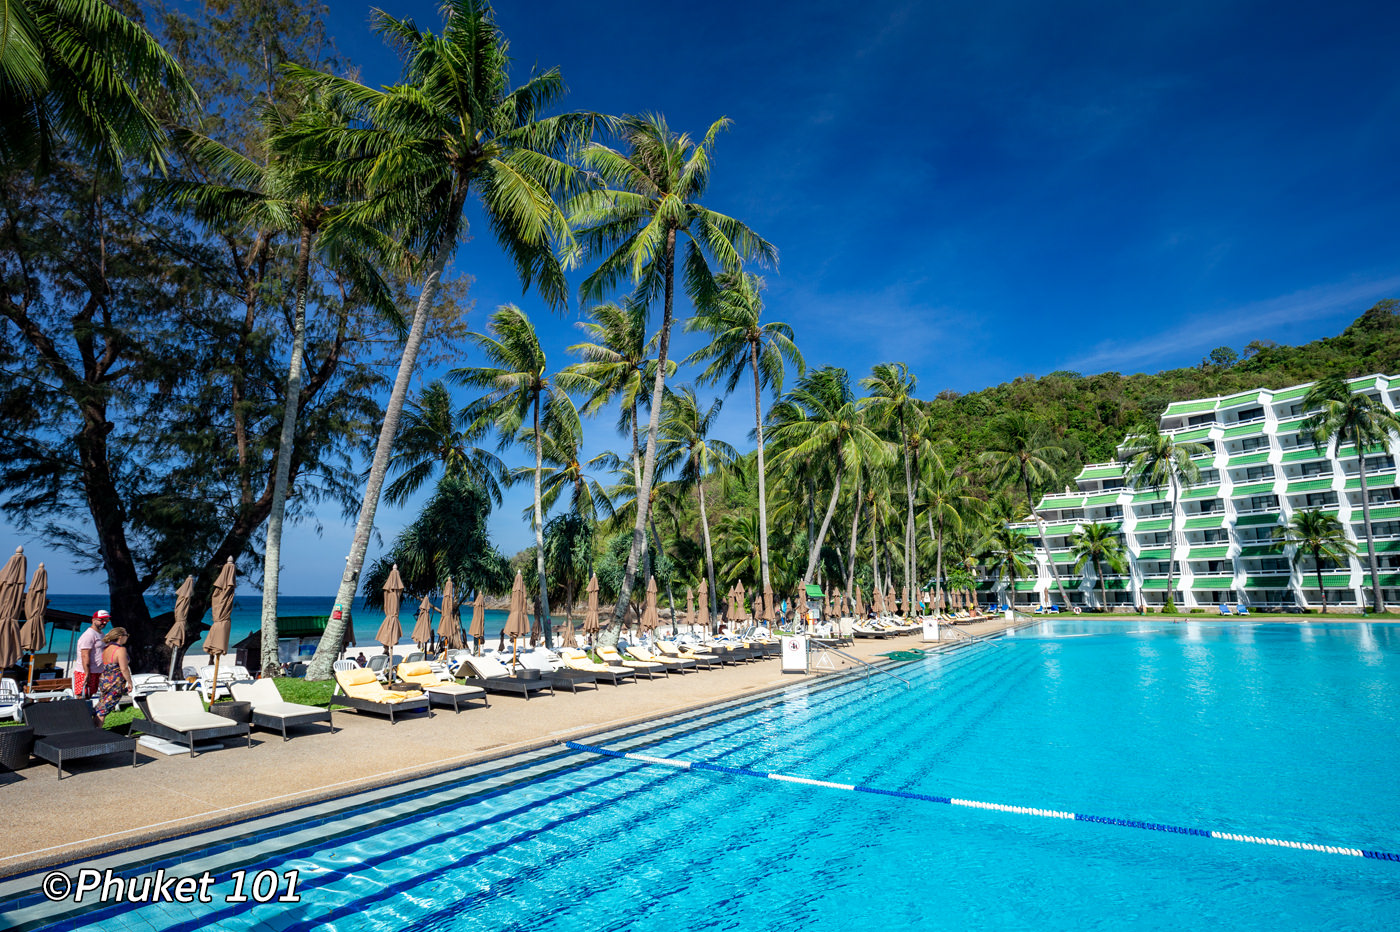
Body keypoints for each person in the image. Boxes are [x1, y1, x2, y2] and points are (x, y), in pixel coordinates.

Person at [92, 627, 134, 725]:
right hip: (115, 681)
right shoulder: (120, 650)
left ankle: (92, 728)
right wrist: (130, 682)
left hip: (105, 679)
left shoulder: (106, 648)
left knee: (101, 704)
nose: (127, 637)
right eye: (126, 635)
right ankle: (97, 732)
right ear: (120, 637)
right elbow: (124, 668)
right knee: (104, 709)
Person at [72, 610, 110, 698]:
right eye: (101, 620)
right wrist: (87, 673)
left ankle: (88, 711)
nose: (104, 622)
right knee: (82, 695)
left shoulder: (100, 633)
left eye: (106, 620)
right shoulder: (89, 635)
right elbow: (85, 655)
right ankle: (81, 711)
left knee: (90, 694)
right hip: (85, 671)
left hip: (97, 670)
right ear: (93, 620)